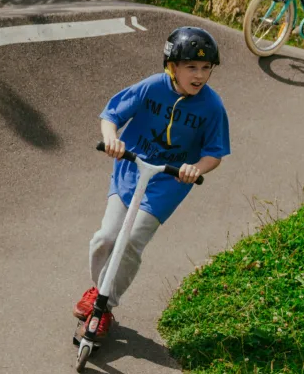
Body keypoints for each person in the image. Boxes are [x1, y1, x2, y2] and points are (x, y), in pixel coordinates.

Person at [73, 26, 231, 339]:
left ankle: (105, 306)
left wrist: (194, 168)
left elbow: (214, 153)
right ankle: (98, 288)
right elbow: (111, 114)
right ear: (172, 67)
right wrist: (111, 139)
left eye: (205, 68)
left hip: (167, 183)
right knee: (106, 237)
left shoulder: (212, 107)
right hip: (131, 170)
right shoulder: (152, 87)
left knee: (131, 241)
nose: (199, 75)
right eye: (191, 67)